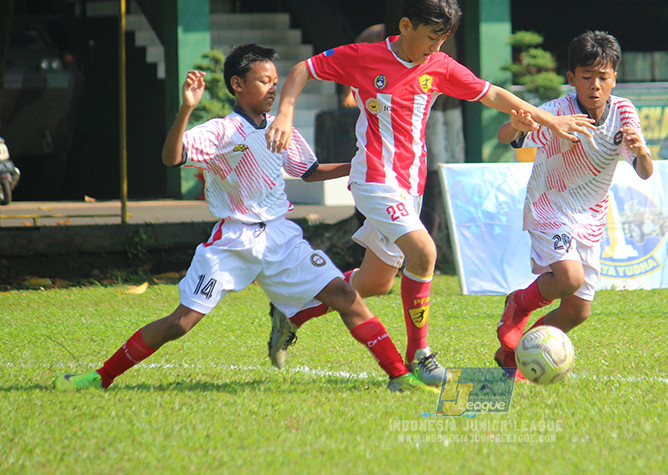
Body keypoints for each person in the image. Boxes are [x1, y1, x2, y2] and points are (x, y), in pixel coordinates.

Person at [263, 0, 595, 386]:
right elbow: (301, 70)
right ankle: (419, 354)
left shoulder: (438, 66)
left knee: (374, 283)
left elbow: (494, 95)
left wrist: (549, 119)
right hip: (373, 181)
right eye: (431, 38)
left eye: (443, 40)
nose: (436, 48)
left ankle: (291, 311)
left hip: (409, 188)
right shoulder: (365, 57)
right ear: (405, 27)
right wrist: (284, 113)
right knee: (424, 252)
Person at [53, 44, 431, 394]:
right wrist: (185, 110)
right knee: (179, 323)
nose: (272, 89)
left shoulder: (279, 128)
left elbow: (310, 170)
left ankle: (399, 375)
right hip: (233, 241)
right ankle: (98, 378)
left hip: (281, 237)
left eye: (275, 82)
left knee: (346, 296)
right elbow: (172, 157)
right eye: (264, 81)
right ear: (237, 84)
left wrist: (359, 167)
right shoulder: (221, 130)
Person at [494, 30, 654, 379]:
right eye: (586, 77)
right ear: (571, 79)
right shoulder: (557, 112)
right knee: (568, 277)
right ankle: (518, 304)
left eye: (603, 77)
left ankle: (517, 356)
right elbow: (507, 137)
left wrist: (641, 152)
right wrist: (516, 125)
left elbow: (644, 171)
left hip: (590, 217)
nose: (595, 85)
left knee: (578, 311)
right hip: (549, 206)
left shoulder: (624, 113)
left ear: (615, 78)